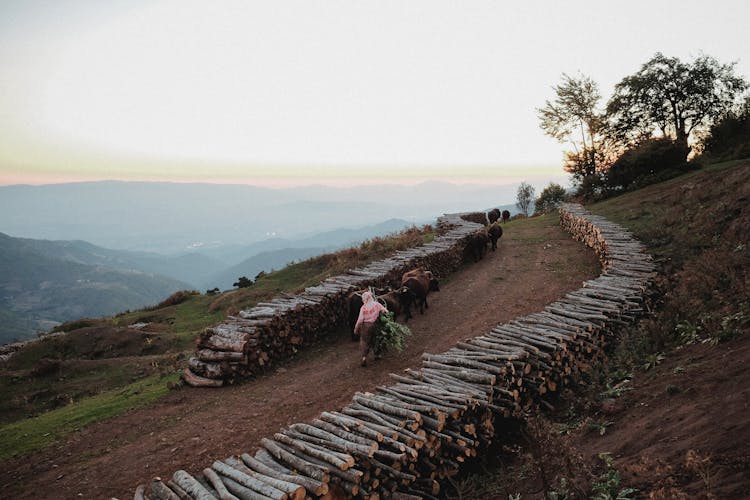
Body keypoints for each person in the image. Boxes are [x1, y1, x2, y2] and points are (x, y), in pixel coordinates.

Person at [353, 290, 387, 366]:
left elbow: (360, 320)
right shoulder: (377, 304)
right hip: (375, 325)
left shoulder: (363, 308)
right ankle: (377, 354)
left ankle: (364, 358)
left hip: (366, 326)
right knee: (376, 338)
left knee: (365, 341)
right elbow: (385, 311)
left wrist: (356, 328)